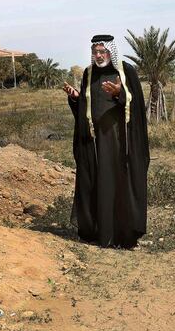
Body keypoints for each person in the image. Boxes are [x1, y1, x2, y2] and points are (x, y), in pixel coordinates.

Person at [62, 34, 150, 248]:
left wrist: (121, 93)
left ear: (111, 51)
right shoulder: (88, 73)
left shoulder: (125, 71)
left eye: (102, 51)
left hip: (121, 142)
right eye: (95, 52)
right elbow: (86, 103)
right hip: (96, 143)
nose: (99, 55)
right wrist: (76, 98)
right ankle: (100, 232)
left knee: (122, 185)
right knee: (98, 183)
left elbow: (136, 102)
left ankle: (123, 234)